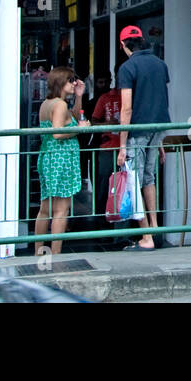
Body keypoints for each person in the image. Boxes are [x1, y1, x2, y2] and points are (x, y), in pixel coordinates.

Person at [117, 25, 170, 252]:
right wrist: (158, 143)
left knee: (133, 181)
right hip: (158, 127)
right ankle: (155, 230)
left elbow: (126, 108)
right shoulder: (161, 64)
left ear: (123, 45)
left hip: (137, 131)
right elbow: (162, 98)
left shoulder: (127, 68)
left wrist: (121, 145)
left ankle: (146, 235)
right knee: (149, 179)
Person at [34, 66, 88, 256]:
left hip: (48, 157)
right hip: (61, 159)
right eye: (70, 80)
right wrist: (81, 130)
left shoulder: (47, 104)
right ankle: (55, 254)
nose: (74, 83)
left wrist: (79, 97)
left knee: (45, 208)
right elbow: (58, 133)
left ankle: (39, 252)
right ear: (60, 82)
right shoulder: (59, 105)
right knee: (61, 209)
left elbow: (69, 119)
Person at [89, 72, 124, 237]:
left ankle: (121, 221)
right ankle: (102, 219)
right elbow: (94, 120)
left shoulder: (127, 96)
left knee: (124, 185)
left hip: (124, 146)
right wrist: (106, 124)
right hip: (107, 147)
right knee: (104, 184)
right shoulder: (104, 98)